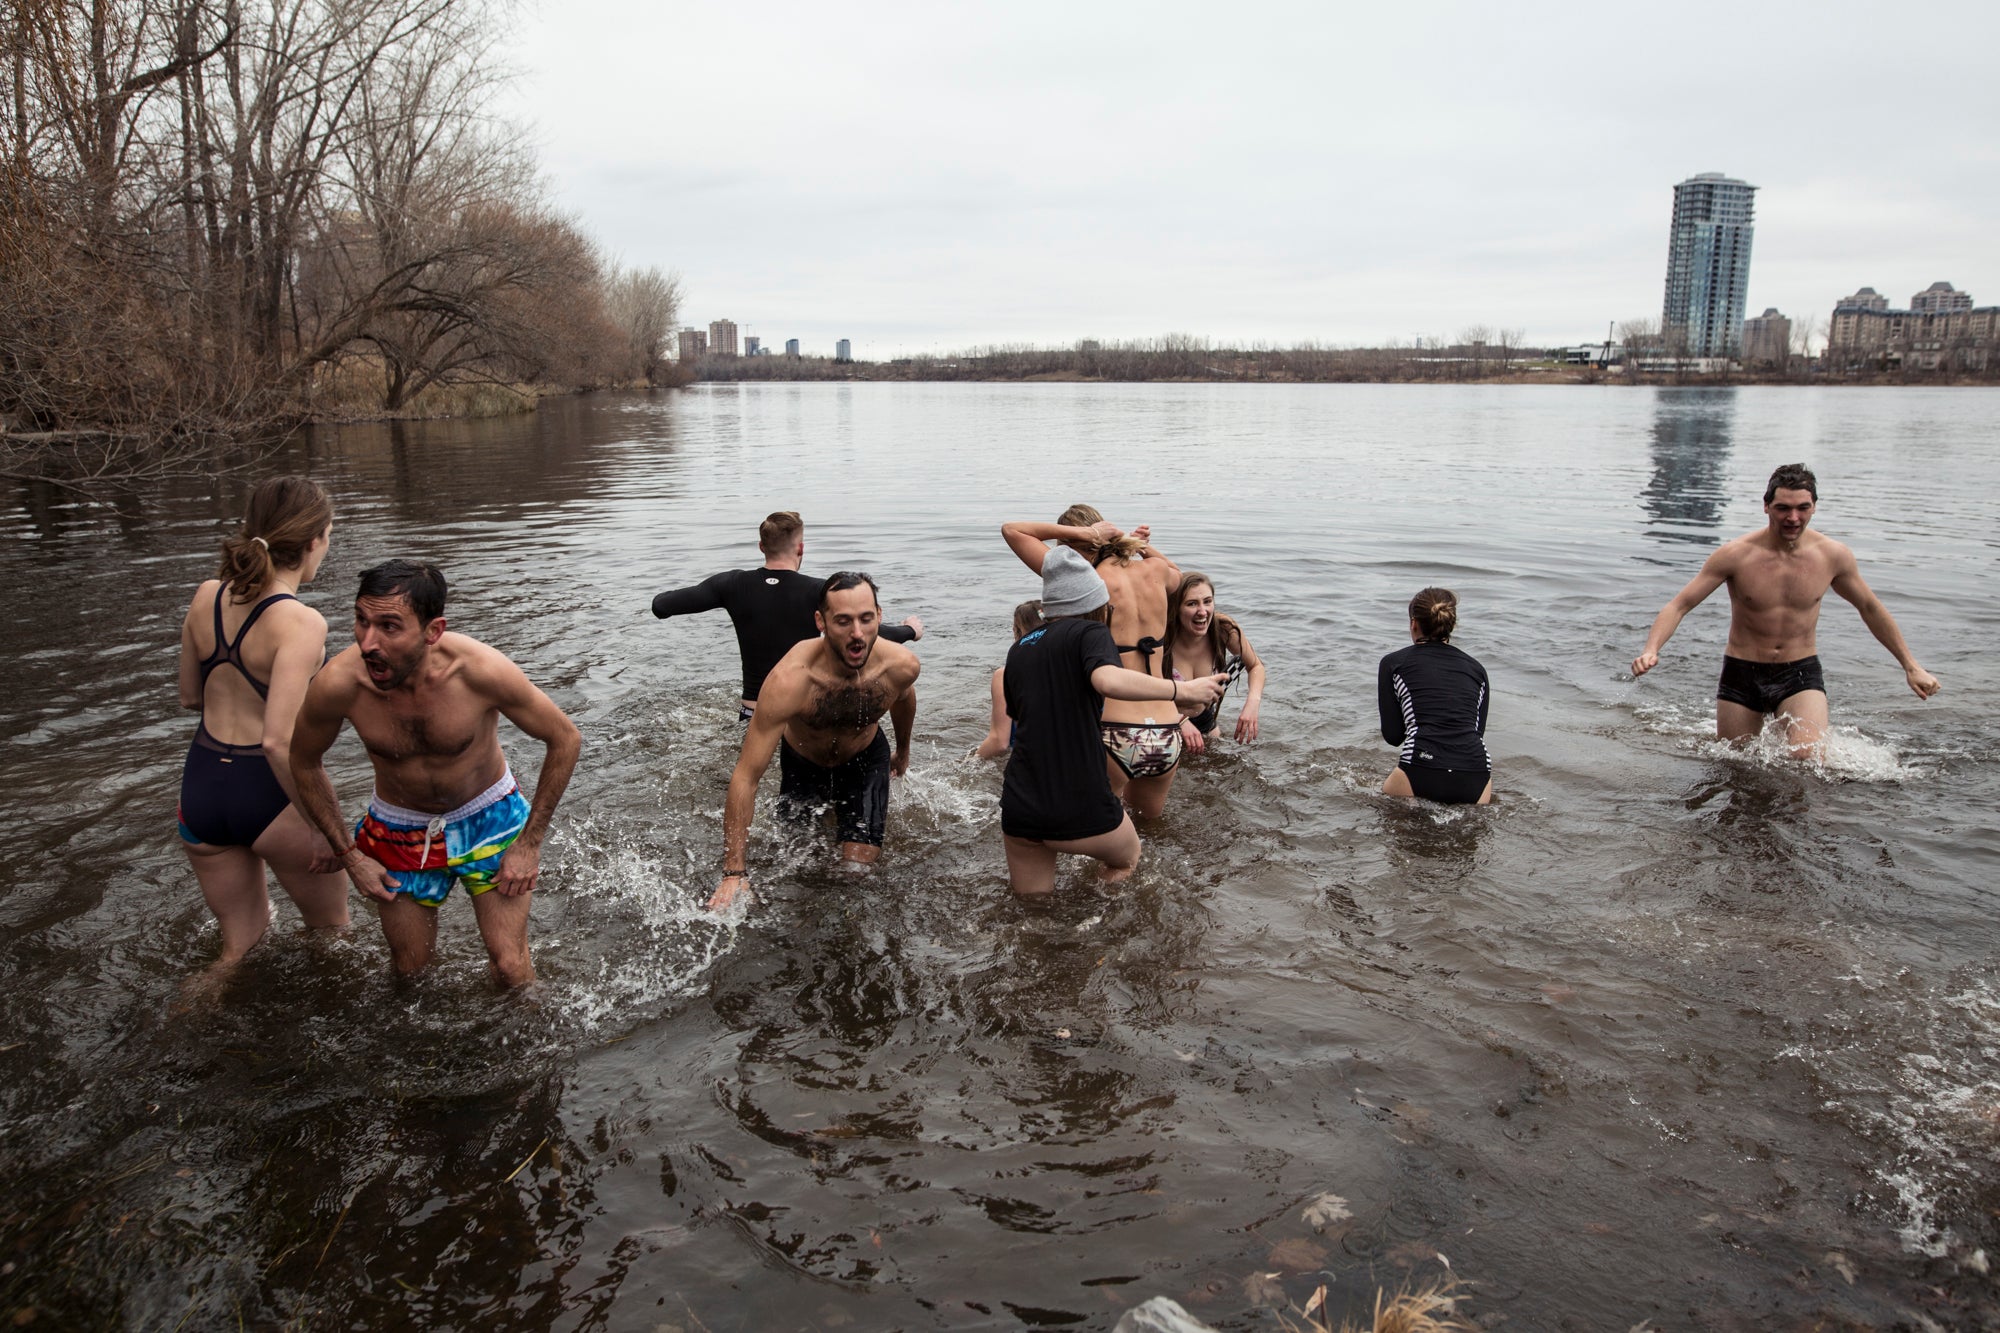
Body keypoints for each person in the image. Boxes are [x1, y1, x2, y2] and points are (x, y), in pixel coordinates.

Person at [289, 560, 582, 987]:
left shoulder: (479, 671)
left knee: (511, 968)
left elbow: (565, 738)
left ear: (433, 631)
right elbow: (303, 759)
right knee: (410, 972)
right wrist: (350, 855)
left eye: (389, 626)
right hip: (397, 828)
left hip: (488, 818)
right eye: (361, 621)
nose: (368, 642)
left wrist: (530, 843)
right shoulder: (340, 684)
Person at [1630, 463, 1940, 757]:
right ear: (1766, 506)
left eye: (1803, 508)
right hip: (1742, 672)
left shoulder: (1833, 556)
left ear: (1814, 507)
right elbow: (1679, 605)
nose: (1793, 517)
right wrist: (1651, 649)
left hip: (1799, 672)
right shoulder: (1735, 555)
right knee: (1735, 764)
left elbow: (1870, 608)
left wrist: (1910, 666)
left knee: (1806, 758)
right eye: (1783, 508)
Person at [175, 476, 350, 967]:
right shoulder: (301, 623)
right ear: (314, 540)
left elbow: (190, 697)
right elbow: (278, 742)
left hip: (202, 786)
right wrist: (323, 829)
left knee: (237, 949)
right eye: (329, 537)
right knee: (331, 935)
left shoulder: (207, 595)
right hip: (267, 790)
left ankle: (192, 1012)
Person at [1000, 548, 1225, 897]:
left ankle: (1042, 946)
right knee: (1127, 859)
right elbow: (1108, 680)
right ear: (1095, 603)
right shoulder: (1090, 633)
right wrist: (1180, 690)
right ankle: (1092, 931)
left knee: (1033, 905)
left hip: (1019, 805)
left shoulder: (1021, 648)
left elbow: (1021, 718)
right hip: (1076, 800)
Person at [710, 572, 921, 911]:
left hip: (865, 757)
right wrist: (733, 872)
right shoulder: (791, 681)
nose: (857, 634)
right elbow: (746, 776)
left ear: (879, 616)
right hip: (803, 762)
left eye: (866, 619)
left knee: (855, 871)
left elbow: (904, 698)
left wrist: (904, 751)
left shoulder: (900, 665)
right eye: (843, 621)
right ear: (820, 621)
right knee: (794, 864)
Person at [1001, 505, 1186, 819]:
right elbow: (1178, 576)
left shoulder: (1083, 580)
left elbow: (1012, 530)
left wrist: (1084, 535)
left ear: (1071, 547)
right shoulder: (1155, 572)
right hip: (1167, 732)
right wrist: (1137, 544)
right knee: (1149, 832)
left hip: (1112, 730)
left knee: (1099, 834)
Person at [650, 511, 923, 717]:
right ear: (800, 548)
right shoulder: (820, 591)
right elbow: (863, 634)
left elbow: (661, 606)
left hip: (753, 713)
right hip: (802, 712)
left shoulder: (730, 584)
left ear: (761, 547)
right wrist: (910, 630)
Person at [1378, 588, 1493, 805]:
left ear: (1413, 623)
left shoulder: (1393, 663)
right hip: (1476, 771)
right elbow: (1477, 732)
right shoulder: (1477, 669)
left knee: (1378, 808)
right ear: (1451, 624)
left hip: (1420, 765)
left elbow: (1393, 736)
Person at [1162, 571, 1266, 754]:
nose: (1202, 611)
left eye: (1207, 602)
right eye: (1192, 604)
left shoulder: (1223, 630)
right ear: (1176, 608)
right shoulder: (1161, 638)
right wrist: (1179, 720)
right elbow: (1139, 690)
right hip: (1164, 722)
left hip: (1205, 721)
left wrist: (1252, 703)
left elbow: (1255, 665)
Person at [973, 599, 1045, 760]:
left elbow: (999, 742)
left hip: (1029, 762)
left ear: (1016, 631)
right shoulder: (1073, 666)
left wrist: (966, 763)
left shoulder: (1005, 675)